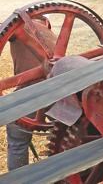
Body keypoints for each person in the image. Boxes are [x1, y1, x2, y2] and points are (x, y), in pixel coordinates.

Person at [7, 18, 56, 170]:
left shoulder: (18, 28)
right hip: (58, 88)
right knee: (66, 136)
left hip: (30, 91)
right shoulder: (47, 31)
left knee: (17, 142)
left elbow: (6, 30)